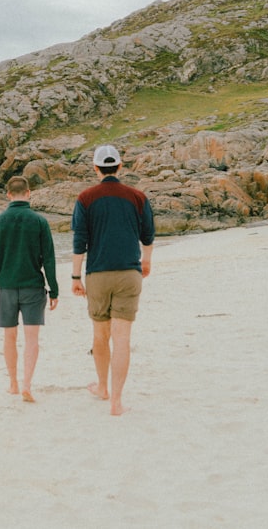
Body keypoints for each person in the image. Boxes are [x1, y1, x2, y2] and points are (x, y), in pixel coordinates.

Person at [71, 145, 155, 416]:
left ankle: (102, 388)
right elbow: (148, 236)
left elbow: (79, 241)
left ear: (96, 168)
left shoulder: (85, 198)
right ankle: (116, 401)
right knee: (122, 339)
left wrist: (75, 276)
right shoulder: (137, 197)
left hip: (98, 275)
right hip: (129, 273)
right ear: (120, 166)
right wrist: (146, 261)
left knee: (100, 335)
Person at [0, 175, 60, 403]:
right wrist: (54, 290)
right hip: (33, 287)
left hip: (6, 287)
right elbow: (49, 260)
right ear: (28, 193)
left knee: (9, 336)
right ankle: (27, 384)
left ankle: (13, 384)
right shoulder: (39, 222)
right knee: (32, 339)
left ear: (8, 195)